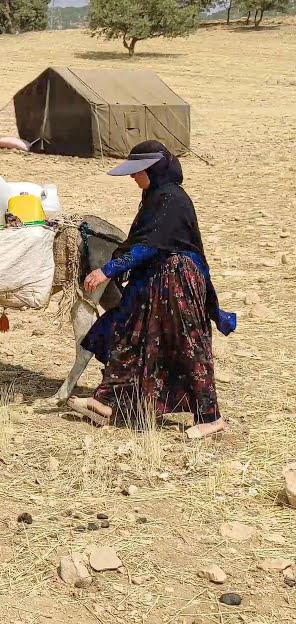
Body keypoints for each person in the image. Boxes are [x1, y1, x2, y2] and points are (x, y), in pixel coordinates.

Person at [69, 140, 236, 439]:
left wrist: (106, 270)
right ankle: (104, 403)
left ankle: (211, 418)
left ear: (153, 169)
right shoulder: (154, 196)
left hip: (178, 281)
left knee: (188, 345)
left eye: (138, 171)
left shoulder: (171, 198)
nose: (133, 177)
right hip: (154, 281)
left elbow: (148, 245)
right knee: (127, 333)